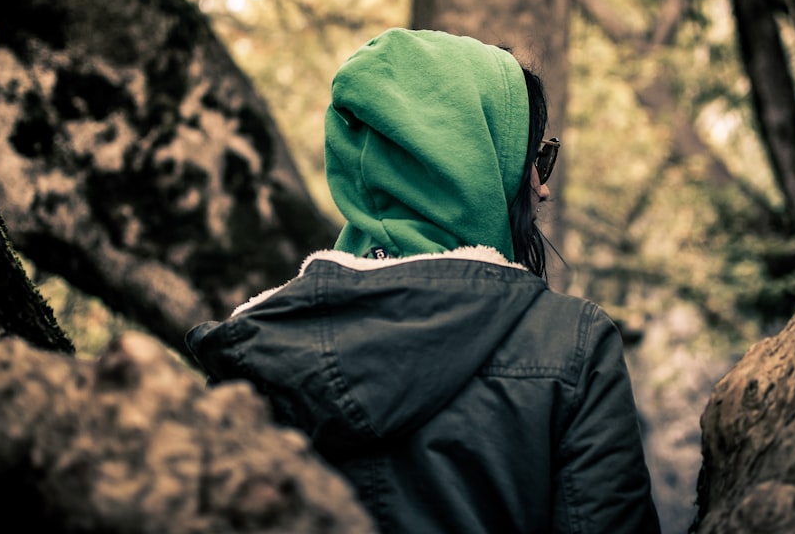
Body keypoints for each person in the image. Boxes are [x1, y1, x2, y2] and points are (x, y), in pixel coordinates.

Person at [186, 28, 660, 533]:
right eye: (534, 159)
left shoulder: (251, 344)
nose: (542, 189)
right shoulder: (573, 345)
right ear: (476, 167)